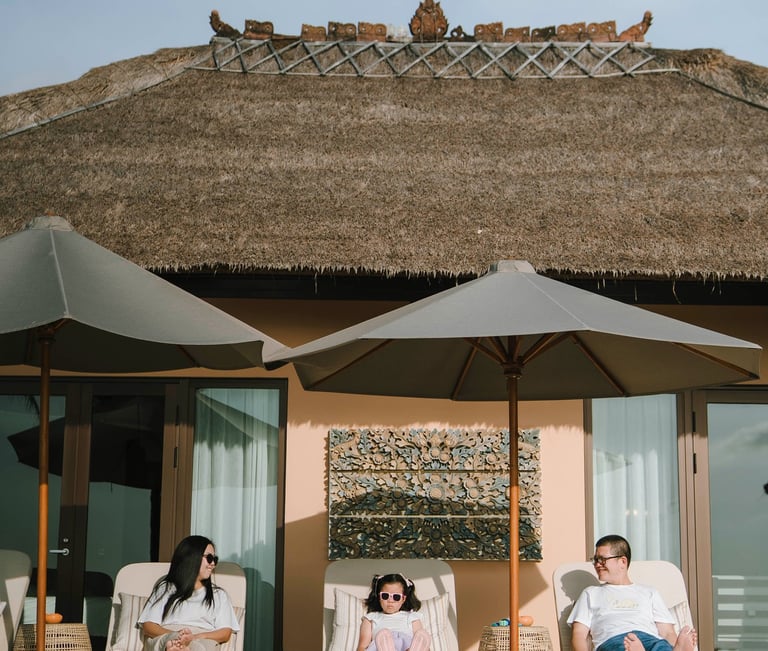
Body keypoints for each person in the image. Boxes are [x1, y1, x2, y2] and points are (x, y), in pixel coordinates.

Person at [568, 535, 697, 651]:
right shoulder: (591, 593)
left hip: (650, 639)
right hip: (614, 640)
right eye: (595, 559)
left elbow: (667, 633)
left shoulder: (649, 592)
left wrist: (674, 646)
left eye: (602, 559)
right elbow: (578, 634)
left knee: (661, 646)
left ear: (622, 562)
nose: (597, 564)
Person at [138, 535, 240, 651]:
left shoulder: (219, 595)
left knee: (200, 647)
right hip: (168, 634)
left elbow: (225, 633)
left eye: (215, 560)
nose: (213, 564)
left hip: (202, 638)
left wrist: (195, 637)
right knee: (166, 642)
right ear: (192, 558)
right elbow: (149, 626)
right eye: (209, 558)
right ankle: (177, 647)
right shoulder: (166, 588)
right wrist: (176, 636)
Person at [356, 573, 431, 651]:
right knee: (382, 640)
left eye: (396, 597)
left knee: (419, 642)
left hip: (407, 648)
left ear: (403, 599)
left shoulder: (411, 617)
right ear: (379, 597)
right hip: (381, 646)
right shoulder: (371, 618)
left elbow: (421, 642)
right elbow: (362, 647)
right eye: (385, 596)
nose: (390, 601)